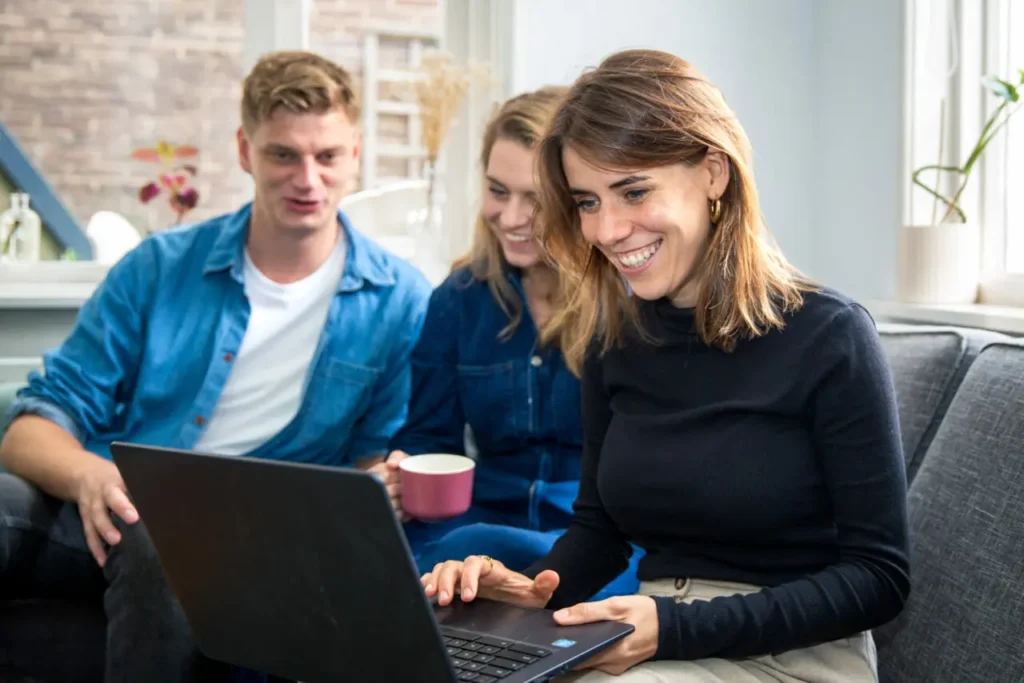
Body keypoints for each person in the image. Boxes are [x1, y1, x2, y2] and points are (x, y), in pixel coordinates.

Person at [421, 48, 910, 682]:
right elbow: (600, 533)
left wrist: (674, 628)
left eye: (633, 190)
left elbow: (881, 577)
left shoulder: (829, 336)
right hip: (642, 634)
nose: (607, 228)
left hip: (791, 658)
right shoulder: (612, 338)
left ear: (713, 172)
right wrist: (527, 590)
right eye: (588, 201)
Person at [0, 50, 430, 682]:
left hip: (246, 543)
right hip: (109, 507)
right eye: (283, 154)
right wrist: (90, 476)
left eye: (328, 157)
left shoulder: (400, 301)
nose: (307, 179)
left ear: (356, 155)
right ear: (244, 149)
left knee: (170, 537)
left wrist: (386, 483)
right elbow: (30, 427)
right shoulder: (158, 269)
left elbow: (371, 463)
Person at [380, 87, 641, 599]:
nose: (512, 217)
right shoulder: (457, 301)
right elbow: (430, 439)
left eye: (535, 199)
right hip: (475, 519)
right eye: (498, 191)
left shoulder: (627, 303)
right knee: (400, 570)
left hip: (595, 532)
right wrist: (403, 476)